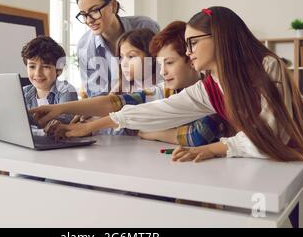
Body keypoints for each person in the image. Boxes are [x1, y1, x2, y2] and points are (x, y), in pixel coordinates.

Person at [90, 6, 303, 227]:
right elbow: (161, 109)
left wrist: (215, 148)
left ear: (219, 38)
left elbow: (271, 134)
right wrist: (98, 124)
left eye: (193, 42)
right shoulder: (209, 86)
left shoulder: (267, 66)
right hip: (288, 159)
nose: (189, 52)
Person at [31, 21, 224, 147]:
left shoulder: (210, 90)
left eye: (170, 63)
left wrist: (153, 132)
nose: (163, 71)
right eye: (160, 63)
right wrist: (59, 108)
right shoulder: (162, 90)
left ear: (191, 60)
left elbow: (198, 134)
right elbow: (116, 102)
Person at [76, 0, 160, 97]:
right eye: (84, 15)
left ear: (113, 5)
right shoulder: (84, 46)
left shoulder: (146, 26)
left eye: (94, 11)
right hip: (111, 109)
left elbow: (163, 73)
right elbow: (96, 94)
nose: (89, 20)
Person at [20, 36, 78, 129]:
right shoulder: (23, 92)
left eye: (45, 66)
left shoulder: (66, 90)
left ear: (59, 70)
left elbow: (65, 119)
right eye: (32, 66)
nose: (37, 73)